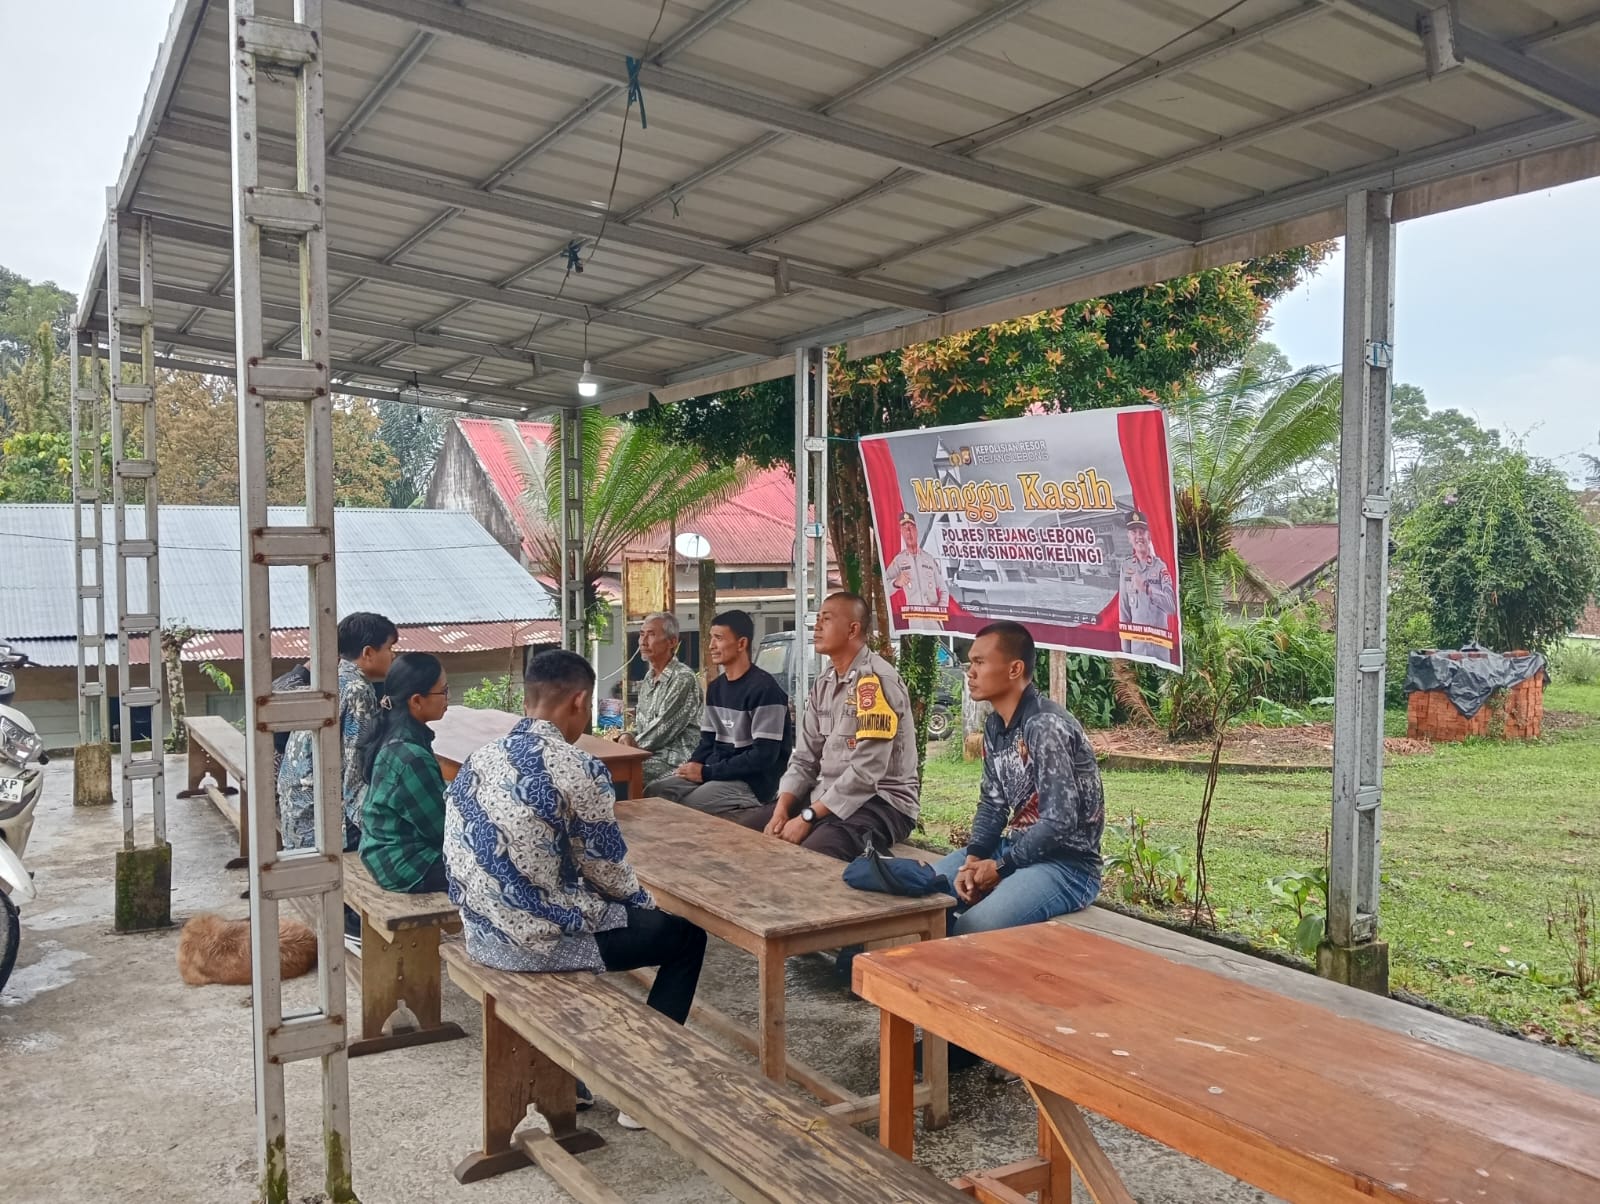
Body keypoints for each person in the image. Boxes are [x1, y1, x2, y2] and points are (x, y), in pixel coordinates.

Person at [444, 648, 708, 1129]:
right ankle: (641, 1088)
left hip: (480, 933)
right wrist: (649, 909)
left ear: (528, 698)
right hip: (532, 945)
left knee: (597, 912)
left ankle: (574, 1079)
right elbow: (610, 873)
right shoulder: (578, 767)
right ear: (580, 702)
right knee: (686, 938)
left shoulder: (478, 759)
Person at [934, 620, 1104, 936]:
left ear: (1015, 669)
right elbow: (992, 804)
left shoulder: (1044, 725)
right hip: (1012, 850)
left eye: (980, 662)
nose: (970, 672)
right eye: (971, 662)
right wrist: (973, 861)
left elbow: (1060, 821)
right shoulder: (995, 726)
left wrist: (1001, 868)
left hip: (1067, 866)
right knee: (922, 895)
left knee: (973, 927)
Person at [733, 592, 918, 862]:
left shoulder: (875, 681)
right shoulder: (825, 681)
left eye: (826, 619)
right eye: (817, 618)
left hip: (882, 801)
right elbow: (804, 758)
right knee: (747, 832)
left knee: (815, 853)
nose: (817, 626)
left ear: (852, 629)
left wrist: (807, 816)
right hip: (827, 793)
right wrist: (782, 808)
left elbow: (866, 774)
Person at [647, 610, 790, 815]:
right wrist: (694, 765)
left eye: (719, 638)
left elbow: (764, 755)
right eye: (711, 638)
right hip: (717, 772)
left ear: (741, 644)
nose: (711, 646)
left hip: (752, 782)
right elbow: (707, 741)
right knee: (654, 792)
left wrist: (707, 772)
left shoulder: (765, 690)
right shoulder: (716, 688)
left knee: (688, 806)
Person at [277, 611, 397, 853]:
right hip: (321, 824)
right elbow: (355, 775)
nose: (394, 656)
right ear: (368, 653)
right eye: (389, 648)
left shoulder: (327, 679)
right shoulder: (357, 690)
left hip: (295, 812)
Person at [358, 653, 451, 894]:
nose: (447, 699)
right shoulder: (412, 757)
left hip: (380, 851)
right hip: (404, 864)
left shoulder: (395, 732)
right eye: (443, 691)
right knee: (492, 868)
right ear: (417, 701)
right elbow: (443, 830)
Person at [619, 613, 702, 785]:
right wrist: (627, 735)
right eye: (642, 634)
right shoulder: (648, 679)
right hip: (649, 753)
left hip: (675, 759)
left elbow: (663, 729)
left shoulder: (683, 678)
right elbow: (643, 725)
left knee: (620, 774)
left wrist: (627, 749)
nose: (643, 642)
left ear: (672, 642)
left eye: (651, 634)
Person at [1117, 509, 1176, 662]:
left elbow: (1171, 607)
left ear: (1148, 536)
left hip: (1160, 652)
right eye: (1134, 532)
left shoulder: (1160, 567)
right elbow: (1124, 612)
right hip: (1137, 651)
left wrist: (1148, 589)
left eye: (1142, 531)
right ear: (1129, 537)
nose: (1138, 536)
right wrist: (1126, 653)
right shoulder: (1126, 567)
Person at [886, 511, 948, 617]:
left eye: (911, 527)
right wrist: (896, 583)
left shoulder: (929, 559)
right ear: (901, 532)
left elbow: (944, 589)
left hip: (934, 618)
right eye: (904, 528)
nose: (908, 531)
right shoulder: (899, 560)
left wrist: (940, 608)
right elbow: (885, 588)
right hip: (914, 619)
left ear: (916, 530)